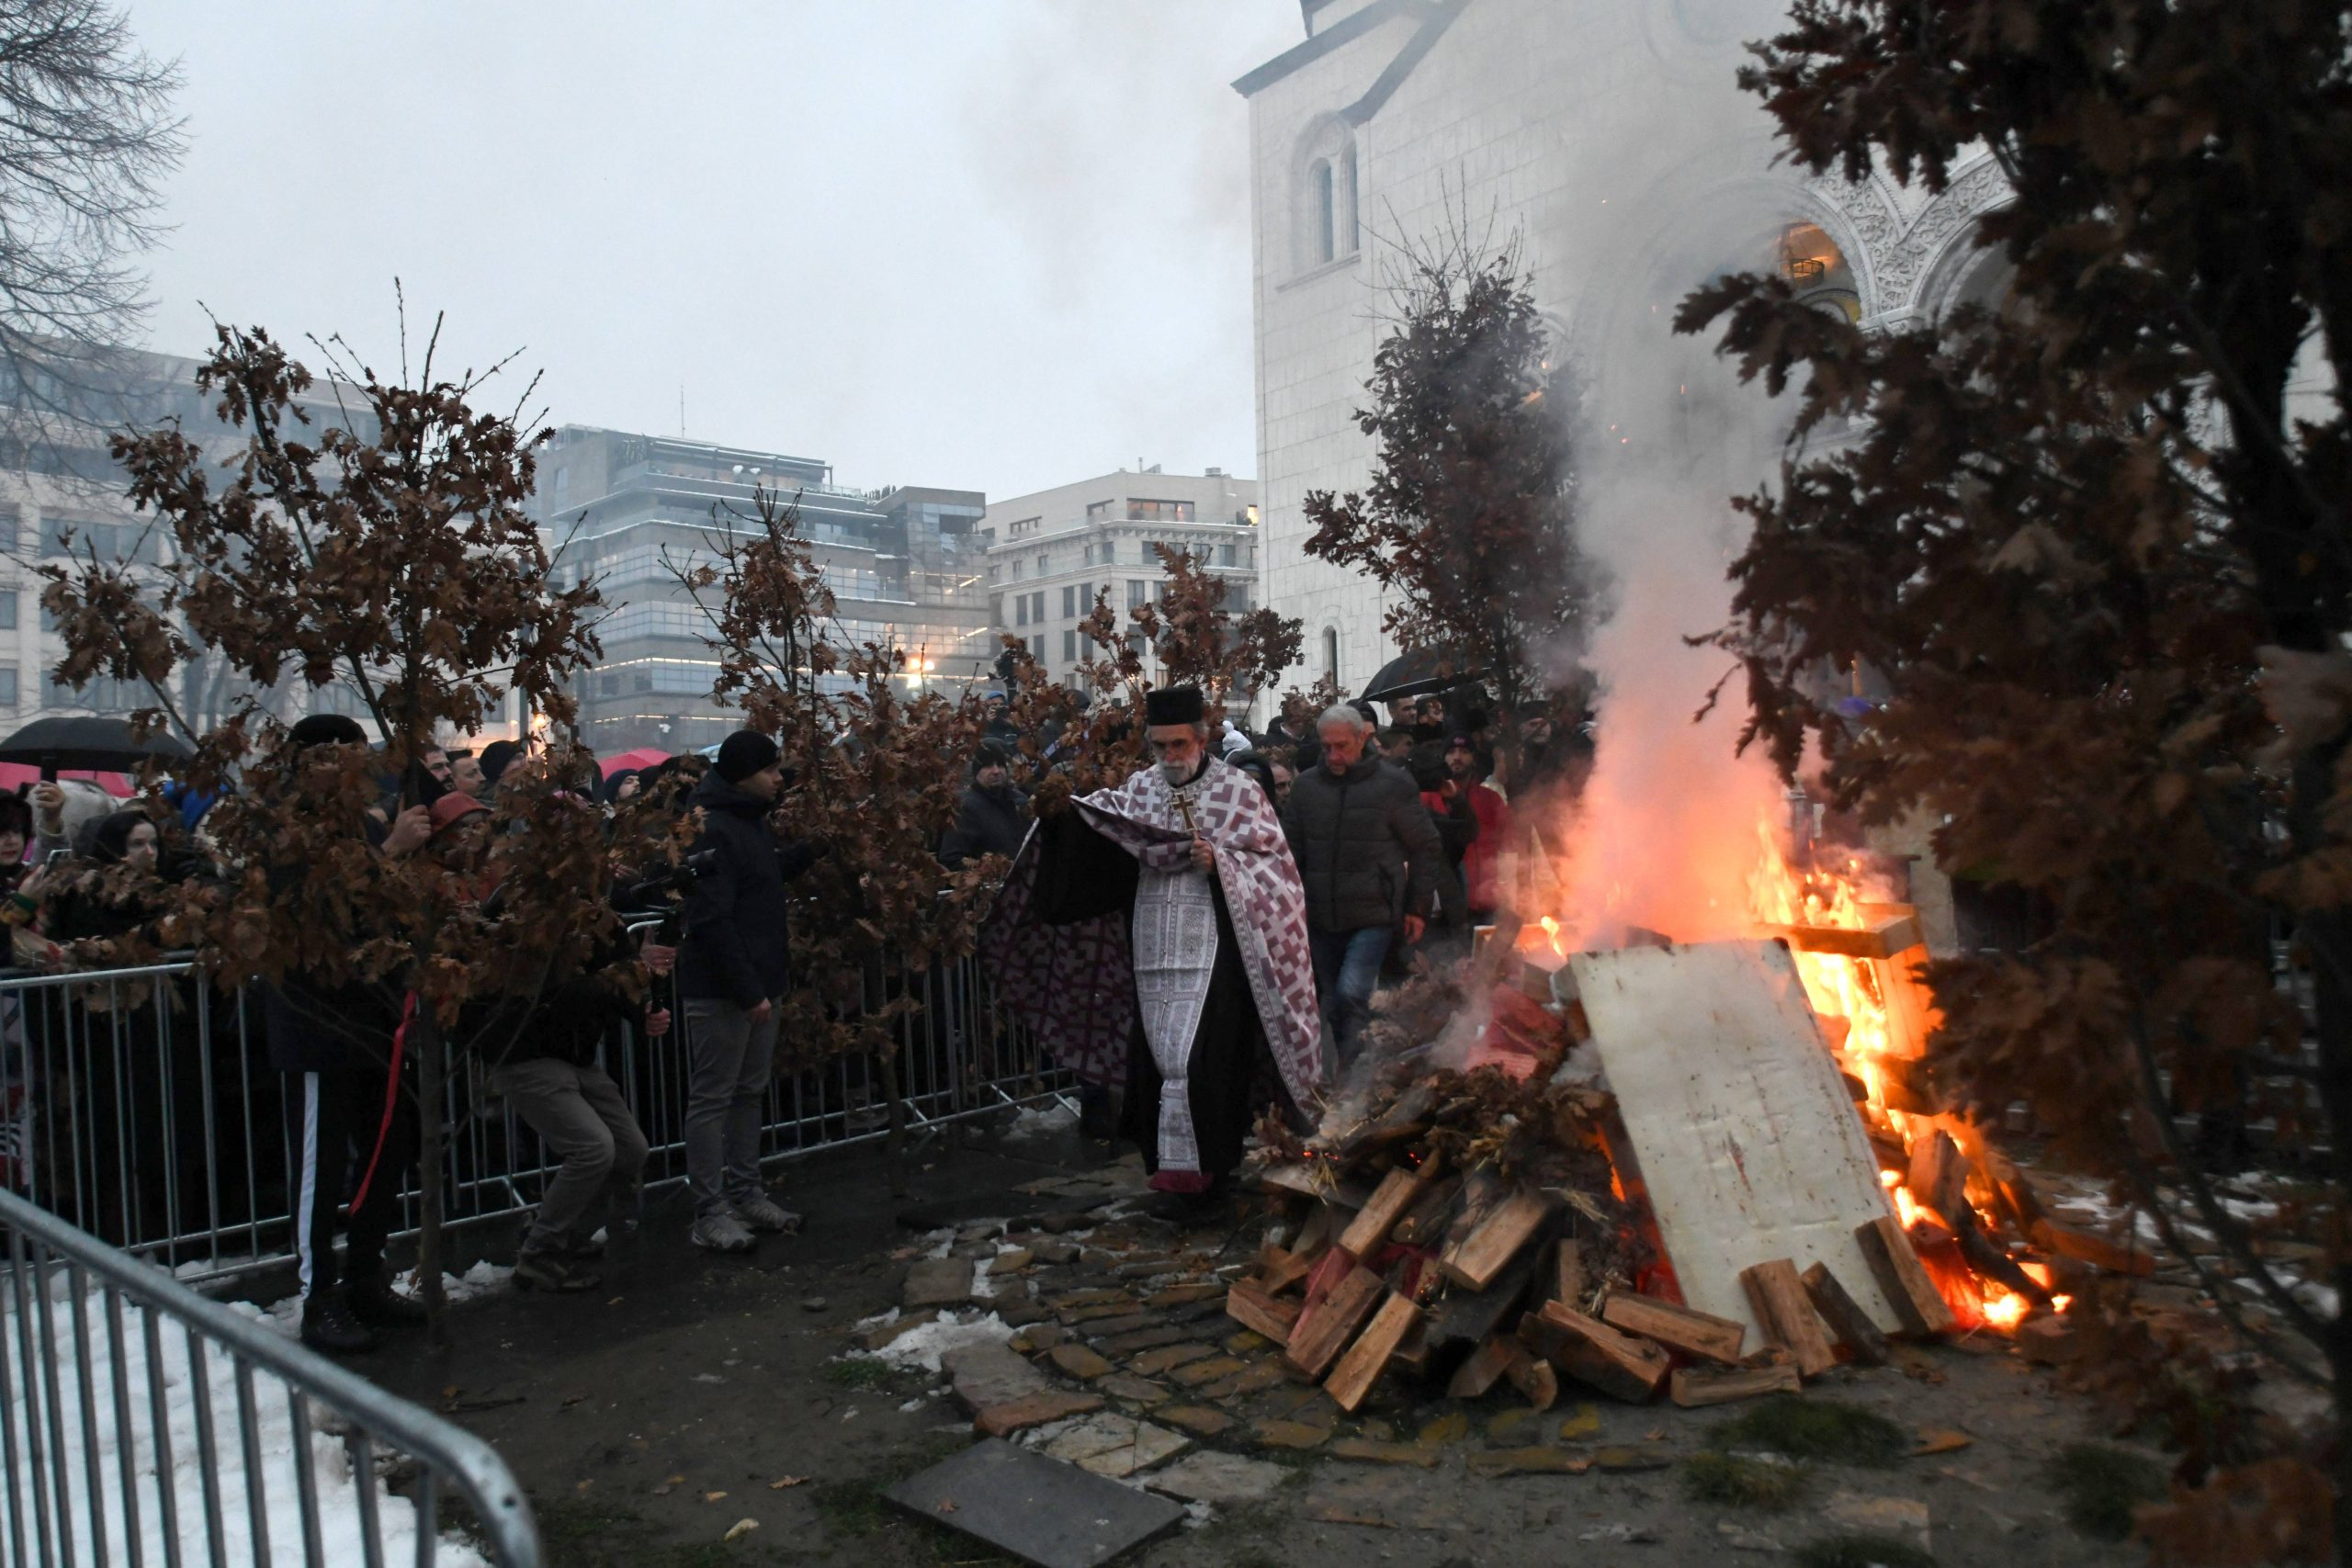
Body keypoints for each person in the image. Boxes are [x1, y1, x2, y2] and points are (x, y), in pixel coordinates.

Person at [982, 684, 1322, 1212]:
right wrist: (1058, 817)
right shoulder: (1140, 789)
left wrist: (1222, 865)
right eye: (1159, 746)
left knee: (1212, 1061)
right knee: (1157, 1061)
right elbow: (1099, 828)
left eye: (1178, 745)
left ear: (1201, 739)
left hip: (1219, 956)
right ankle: (1168, 1173)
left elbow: (1275, 871)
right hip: (1150, 948)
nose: (1169, 757)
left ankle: (1216, 1174)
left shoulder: (1238, 791)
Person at [266, 713, 433, 1353]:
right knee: (321, 1164)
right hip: (316, 1021)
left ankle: (367, 1274)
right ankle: (318, 1297)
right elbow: (308, 913)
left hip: (374, 1019)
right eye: (345, 757)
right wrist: (388, 852)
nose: (359, 769)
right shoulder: (288, 829)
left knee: (387, 1147)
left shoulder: (362, 823)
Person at [676, 729, 819, 1252]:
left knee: (747, 1092)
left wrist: (810, 851)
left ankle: (747, 1191)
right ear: (743, 776)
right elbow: (712, 917)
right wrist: (747, 989)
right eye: (771, 771)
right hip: (724, 989)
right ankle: (710, 1209)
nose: (779, 779)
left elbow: (762, 878)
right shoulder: (712, 827)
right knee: (714, 1097)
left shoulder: (747, 820)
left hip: (759, 981)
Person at [1282, 704, 1445, 1063]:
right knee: (1332, 999)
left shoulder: (1392, 785)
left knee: (1352, 992)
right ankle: (1353, 1064)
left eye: (1341, 746)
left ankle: (1357, 1072)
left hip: (1374, 911)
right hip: (1321, 912)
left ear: (1363, 738)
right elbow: (1289, 851)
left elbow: (1425, 845)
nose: (1333, 755)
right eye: (1326, 747)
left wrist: (1417, 907)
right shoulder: (1307, 787)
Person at [1445, 734, 1514, 925]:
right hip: (1448, 906)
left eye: (1464, 752)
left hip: (1490, 902)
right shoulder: (1432, 799)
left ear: (1473, 758)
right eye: (1451, 752)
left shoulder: (1490, 799)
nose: (1457, 757)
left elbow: (1508, 848)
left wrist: (1508, 893)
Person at [939, 747, 1027, 869]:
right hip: (991, 885)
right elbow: (951, 859)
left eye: (1001, 765)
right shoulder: (965, 807)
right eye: (988, 766)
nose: (996, 771)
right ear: (976, 772)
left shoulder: (1019, 800)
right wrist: (988, 871)